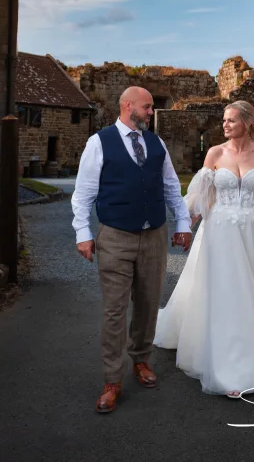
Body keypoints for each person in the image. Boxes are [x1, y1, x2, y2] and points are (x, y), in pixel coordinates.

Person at [154, 100, 254, 398]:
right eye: (224, 120)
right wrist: (186, 226)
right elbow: (201, 198)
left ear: (247, 123)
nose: (225, 125)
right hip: (219, 233)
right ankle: (228, 363)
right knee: (225, 293)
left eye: (232, 120)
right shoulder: (214, 153)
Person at [70, 86, 193, 414]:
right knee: (114, 309)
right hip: (115, 236)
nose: (152, 112)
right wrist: (83, 233)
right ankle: (112, 379)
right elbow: (83, 193)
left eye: (152, 107)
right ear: (128, 106)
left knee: (149, 302)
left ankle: (141, 359)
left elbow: (171, 187)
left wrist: (182, 224)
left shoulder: (157, 143)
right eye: (148, 107)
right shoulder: (99, 142)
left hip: (154, 234)